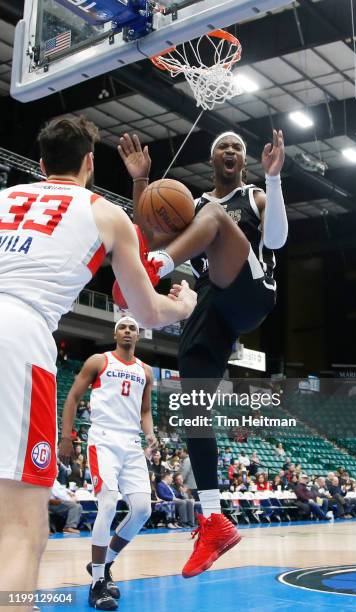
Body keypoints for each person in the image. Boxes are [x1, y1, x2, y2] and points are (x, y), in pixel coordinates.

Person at [0, 116, 196, 606]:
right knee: (22, 530)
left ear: (41, 165)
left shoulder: (4, 199)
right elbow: (147, 308)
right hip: (18, 335)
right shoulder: (106, 214)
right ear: (90, 163)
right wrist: (184, 307)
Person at [116, 127, 287, 577]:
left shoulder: (253, 195)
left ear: (243, 161)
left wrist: (273, 179)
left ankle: (154, 274)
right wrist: (141, 182)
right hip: (215, 304)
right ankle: (213, 520)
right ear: (212, 160)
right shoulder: (189, 203)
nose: (230, 152)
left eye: (237, 148)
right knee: (192, 404)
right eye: (222, 148)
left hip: (253, 290)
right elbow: (149, 233)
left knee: (210, 216)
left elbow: (278, 241)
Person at [59, 316, 159, 609]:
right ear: (116, 333)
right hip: (103, 439)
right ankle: (96, 585)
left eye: (133, 329)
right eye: (123, 327)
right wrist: (66, 437)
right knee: (108, 503)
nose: (128, 331)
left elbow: (145, 411)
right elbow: (73, 397)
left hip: (131, 443)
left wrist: (150, 435)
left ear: (138, 336)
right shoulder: (98, 361)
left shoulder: (146, 371)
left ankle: (102, 564)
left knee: (142, 510)